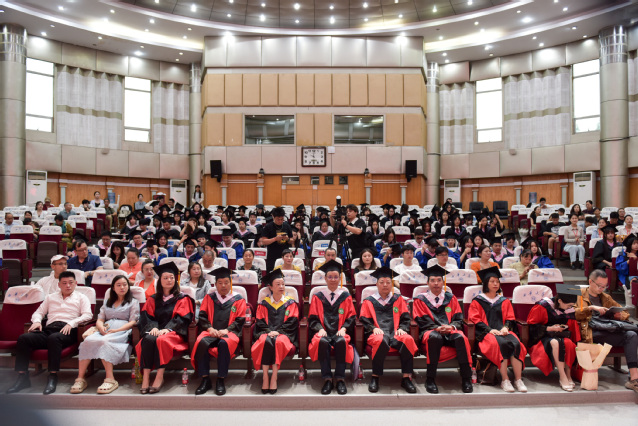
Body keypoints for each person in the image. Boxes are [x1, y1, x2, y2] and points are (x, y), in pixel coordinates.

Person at [7, 271, 92, 395]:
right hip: (49, 329)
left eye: (71, 282)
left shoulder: (81, 297)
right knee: (23, 338)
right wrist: (37, 321)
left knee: (54, 338)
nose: (68, 285)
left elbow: (88, 315)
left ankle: (52, 376)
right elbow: (38, 312)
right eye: (64, 283)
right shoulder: (50, 297)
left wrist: (72, 323)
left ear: (76, 283)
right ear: (59, 285)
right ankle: (22, 377)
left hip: (68, 331)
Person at [71, 275, 140, 394]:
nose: (122, 287)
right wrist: (100, 327)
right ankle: (80, 378)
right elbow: (100, 319)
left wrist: (117, 330)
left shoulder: (133, 302)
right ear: (113, 288)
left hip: (122, 331)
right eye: (119, 285)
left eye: (125, 285)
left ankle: (110, 379)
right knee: (87, 341)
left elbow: (133, 321)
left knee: (104, 341)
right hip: (106, 329)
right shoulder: (108, 302)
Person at [136, 262, 195, 394]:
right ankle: (146, 377)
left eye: (171, 277)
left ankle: (159, 376)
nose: (169, 280)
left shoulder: (182, 298)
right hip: (156, 331)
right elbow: (146, 316)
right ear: (160, 281)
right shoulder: (153, 299)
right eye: (165, 278)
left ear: (176, 280)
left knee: (161, 340)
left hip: (174, 333)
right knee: (147, 339)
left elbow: (182, 318)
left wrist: (168, 329)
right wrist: (153, 327)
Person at [575, 270, 638, 392]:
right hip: (591, 332)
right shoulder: (578, 294)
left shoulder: (605, 297)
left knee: (631, 334)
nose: (602, 289)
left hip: (607, 329)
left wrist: (619, 316)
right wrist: (591, 308)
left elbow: (624, 312)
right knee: (629, 335)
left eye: (605, 286)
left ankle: (634, 378)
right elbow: (572, 312)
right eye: (599, 286)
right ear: (590, 282)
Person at [413, 265, 473, 394]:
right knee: (434, 337)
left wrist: (451, 327)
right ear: (427, 283)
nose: (436, 283)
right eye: (432, 280)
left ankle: (466, 378)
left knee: (461, 338)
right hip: (430, 331)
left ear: (443, 282)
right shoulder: (420, 300)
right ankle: (430, 379)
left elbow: (458, 318)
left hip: (450, 330)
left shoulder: (451, 298)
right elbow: (420, 320)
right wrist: (437, 328)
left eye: (439, 280)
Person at [468, 267, 527, 393]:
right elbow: (475, 319)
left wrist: (506, 327)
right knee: (502, 344)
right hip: (486, 334)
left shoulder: (504, 300)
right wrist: (490, 330)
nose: (495, 284)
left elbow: (510, 317)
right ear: (486, 284)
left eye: (497, 281)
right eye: (492, 281)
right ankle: (505, 380)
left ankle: (518, 379)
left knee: (516, 344)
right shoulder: (477, 301)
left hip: (503, 331)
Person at [360, 267, 417, 393]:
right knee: (380, 340)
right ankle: (375, 377)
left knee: (407, 339)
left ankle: (406, 378)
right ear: (376, 284)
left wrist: (402, 328)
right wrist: (373, 328)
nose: (385, 285)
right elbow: (364, 319)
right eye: (382, 282)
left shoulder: (398, 299)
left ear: (392, 284)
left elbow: (406, 317)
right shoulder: (369, 301)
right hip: (378, 333)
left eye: (388, 282)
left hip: (395, 332)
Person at [191, 267, 246, 396]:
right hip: (210, 332)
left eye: (226, 282)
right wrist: (210, 328)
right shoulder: (209, 298)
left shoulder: (238, 299)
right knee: (201, 342)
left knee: (223, 344)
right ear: (215, 284)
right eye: (220, 283)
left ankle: (221, 379)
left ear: (230, 284)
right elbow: (202, 316)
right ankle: (205, 379)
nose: (223, 285)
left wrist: (226, 330)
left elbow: (240, 320)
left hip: (229, 333)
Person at [308, 260, 357, 395]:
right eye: (330, 277)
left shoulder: (345, 296)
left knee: (342, 341)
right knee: (322, 342)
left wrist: (344, 328)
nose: (333, 279)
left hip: (340, 331)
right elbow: (313, 317)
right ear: (325, 278)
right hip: (323, 331)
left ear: (340, 278)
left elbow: (351, 316)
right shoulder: (318, 296)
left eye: (336, 277)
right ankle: (327, 378)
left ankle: (340, 378)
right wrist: (320, 329)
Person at [251, 269, 300, 394]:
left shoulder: (290, 303)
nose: (281, 286)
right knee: (265, 341)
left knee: (278, 342)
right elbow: (260, 321)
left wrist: (278, 332)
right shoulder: (263, 303)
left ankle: (274, 376)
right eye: (278, 284)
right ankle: (265, 376)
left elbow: (292, 321)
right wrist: (269, 331)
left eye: (283, 284)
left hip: (284, 334)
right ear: (271, 287)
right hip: (266, 332)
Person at [526, 284, 580, 392]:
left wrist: (564, 328)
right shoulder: (543, 306)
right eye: (569, 305)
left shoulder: (569, 310)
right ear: (559, 301)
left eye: (572, 305)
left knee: (569, 344)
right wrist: (549, 328)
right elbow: (532, 327)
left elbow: (573, 329)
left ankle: (568, 374)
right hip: (543, 337)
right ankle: (562, 376)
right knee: (555, 342)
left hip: (561, 336)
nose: (570, 308)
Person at [260, 207, 296, 272]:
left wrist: (287, 239)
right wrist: (275, 239)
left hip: (285, 256)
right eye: (278, 219)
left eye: (282, 219)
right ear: (273, 217)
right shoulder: (268, 227)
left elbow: (292, 240)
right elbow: (264, 241)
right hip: (272, 256)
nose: (280, 221)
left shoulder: (287, 226)